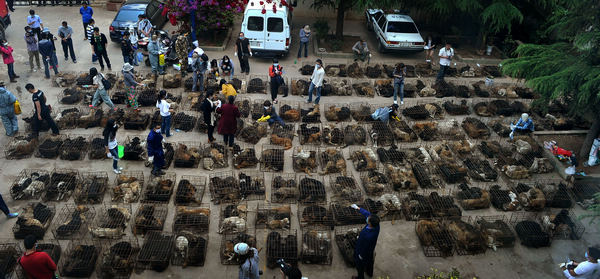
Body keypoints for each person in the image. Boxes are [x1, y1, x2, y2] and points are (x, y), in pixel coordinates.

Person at [350, 204, 380, 279]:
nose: (367, 218)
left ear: (370, 223)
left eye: (368, 219)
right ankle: (370, 273)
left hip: (363, 251)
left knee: (360, 266)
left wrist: (361, 256)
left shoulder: (368, 236)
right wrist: (358, 208)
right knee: (370, 261)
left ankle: (360, 277)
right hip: (371, 248)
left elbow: (365, 248)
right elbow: (367, 214)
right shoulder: (376, 225)